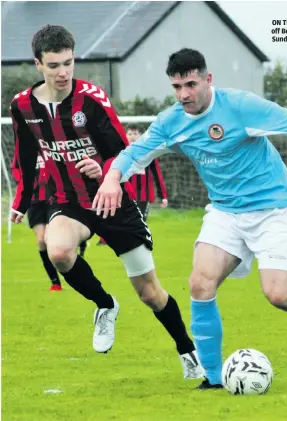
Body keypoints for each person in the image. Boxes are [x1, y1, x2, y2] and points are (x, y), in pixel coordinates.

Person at [93, 48, 287, 389]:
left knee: (280, 295)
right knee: (199, 284)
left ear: (208, 79)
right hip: (225, 212)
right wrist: (112, 178)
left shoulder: (240, 106)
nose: (184, 94)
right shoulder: (170, 122)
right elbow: (134, 153)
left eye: (190, 84)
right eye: (177, 87)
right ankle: (214, 379)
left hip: (272, 209)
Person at [9, 25, 204, 379]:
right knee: (58, 252)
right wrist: (21, 201)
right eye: (54, 65)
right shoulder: (22, 106)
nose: (63, 72)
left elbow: (120, 151)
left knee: (150, 292)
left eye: (68, 62)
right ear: (39, 64)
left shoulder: (91, 99)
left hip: (112, 201)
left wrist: (102, 168)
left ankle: (187, 351)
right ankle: (105, 304)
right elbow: (24, 155)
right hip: (68, 200)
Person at [11, 154, 87, 291]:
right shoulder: (25, 145)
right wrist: (26, 183)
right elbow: (16, 168)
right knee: (41, 241)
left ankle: (74, 268)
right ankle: (55, 282)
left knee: (53, 238)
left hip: (55, 197)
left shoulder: (49, 141)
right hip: (35, 200)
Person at [126, 124, 169, 221]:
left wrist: (163, 196)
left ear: (140, 135)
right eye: (130, 134)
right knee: (126, 222)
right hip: (126, 193)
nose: (132, 136)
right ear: (125, 135)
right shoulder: (121, 152)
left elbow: (157, 174)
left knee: (140, 221)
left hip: (143, 194)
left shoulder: (148, 151)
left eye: (135, 133)